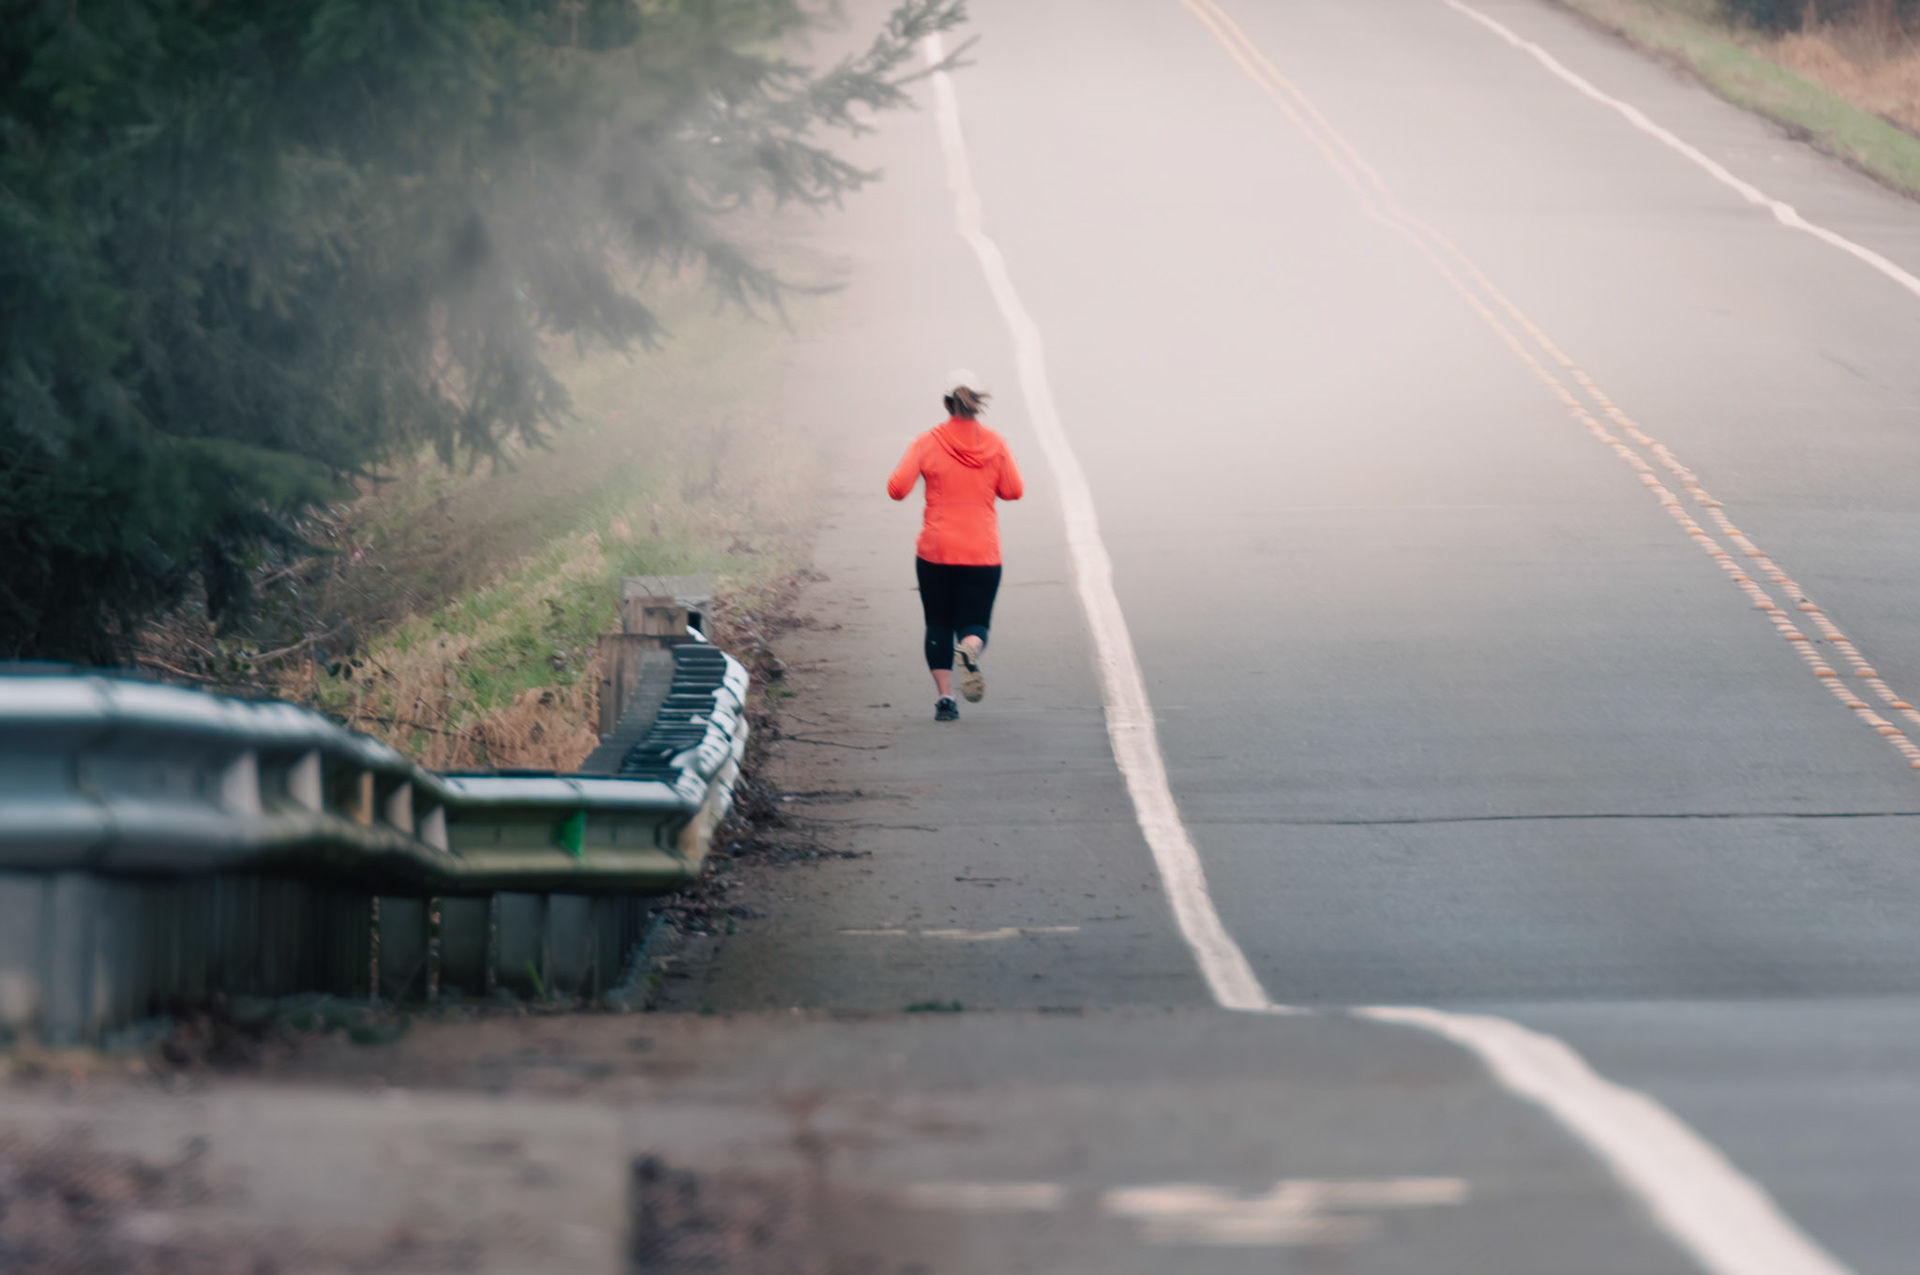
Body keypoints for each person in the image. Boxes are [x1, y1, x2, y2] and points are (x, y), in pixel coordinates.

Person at [887, 371, 1025, 721]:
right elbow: (1013, 491)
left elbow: (897, 489)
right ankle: (970, 648)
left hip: (936, 550)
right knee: (975, 622)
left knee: (938, 623)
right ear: (976, 402)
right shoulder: (996, 443)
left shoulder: (926, 442)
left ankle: (946, 699)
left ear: (946, 403)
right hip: (982, 550)